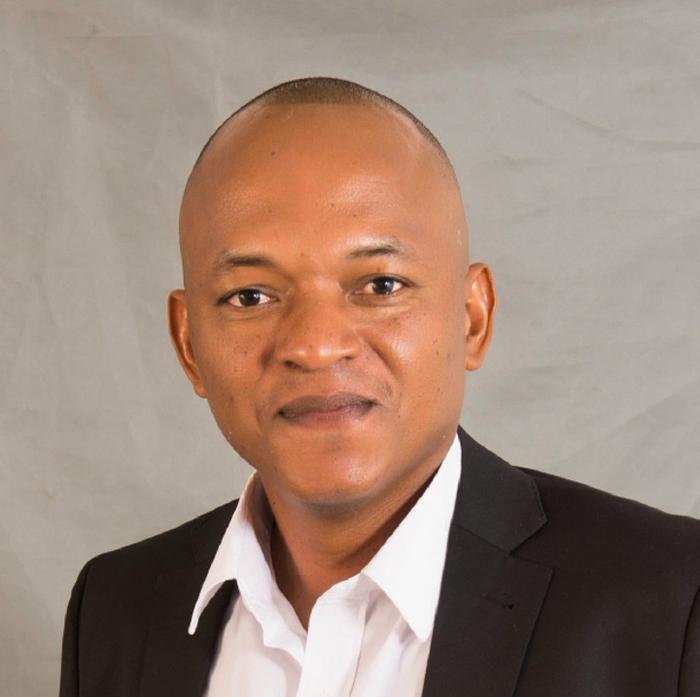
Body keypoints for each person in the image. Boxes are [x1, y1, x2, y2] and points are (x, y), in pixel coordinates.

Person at [59, 77, 700, 697]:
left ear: (472, 319)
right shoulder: (114, 611)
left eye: (380, 285)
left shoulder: (674, 603)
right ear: (189, 344)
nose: (315, 345)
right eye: (250, 296)